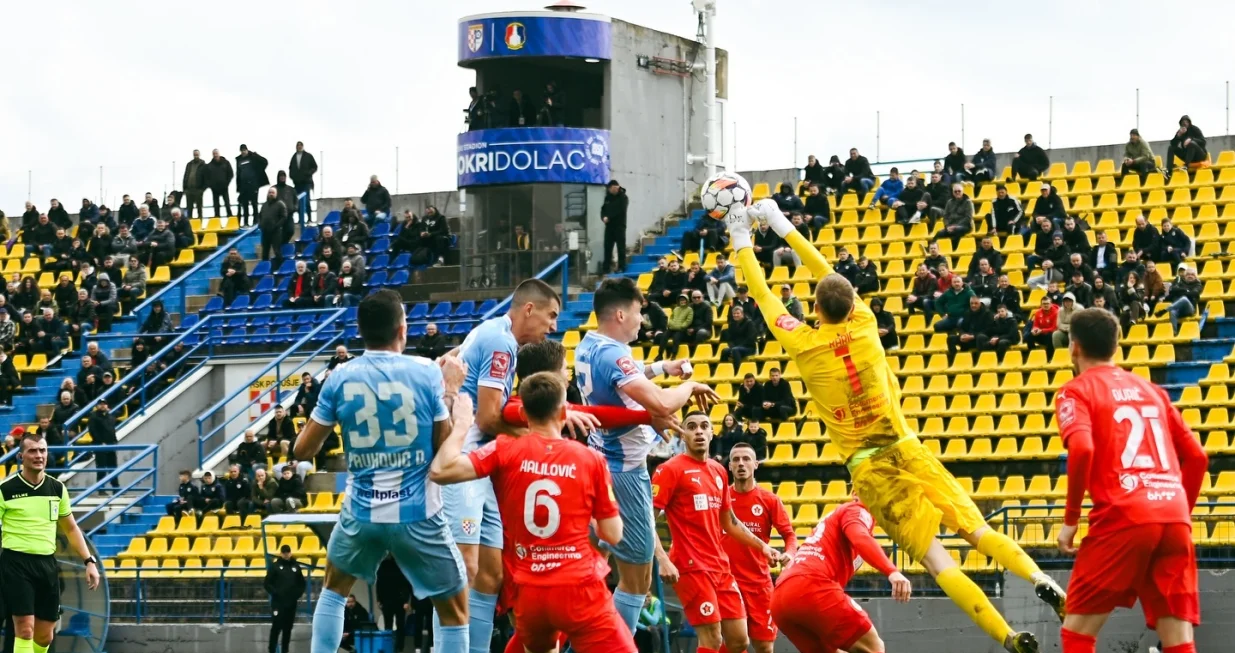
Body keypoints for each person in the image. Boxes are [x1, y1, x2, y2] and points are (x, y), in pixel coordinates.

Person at [729, 196, 1058, 653]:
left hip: (871, 468)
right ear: (850, 302)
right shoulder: (864, 322)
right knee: (980, 532)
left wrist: (740, 235)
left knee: (939, 562)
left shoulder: (803, 342)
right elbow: (827, 271)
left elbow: (763, 297)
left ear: (816, 310)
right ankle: (1038, 576)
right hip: (907, 445)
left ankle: (1006, 636)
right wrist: (780, 223)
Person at [292, 289, 475, 653]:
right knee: (455, 610)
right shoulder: (426, 373)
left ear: (361, 331)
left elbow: (303, 450)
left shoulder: (340, 377)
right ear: (402, 329)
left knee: (333, 591)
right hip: (418, 514)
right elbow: (442, 447)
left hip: (363, 512)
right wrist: (451, 390)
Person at [430, 371, 634, 653]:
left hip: (529, 590)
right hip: (579, 587)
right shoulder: (590, 459)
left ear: (523, 412)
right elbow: (612, 534)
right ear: (564, 411)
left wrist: (463, 424)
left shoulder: (503, 449)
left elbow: (440, 470)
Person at [1055, 308, 1207, 653]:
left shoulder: (1075, 391)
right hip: (1173, 514)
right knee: (1178, 639)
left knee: (1077, 632)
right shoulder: (1152, 390)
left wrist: (1070, 521)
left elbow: (1081, 449)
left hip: (1124, 515)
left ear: (1074, 347)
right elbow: (1197, 457)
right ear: (1116, 345)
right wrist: (1177, 512)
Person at [574, 277, 718, 637]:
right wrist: (688, 385)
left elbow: (623, 378)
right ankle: (608, 646)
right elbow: (663, 403)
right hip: (626, 471)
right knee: (637, 579)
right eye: (639, 313)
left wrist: (661, 369)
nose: (643, 321)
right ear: (621, 313)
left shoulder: (589, 344)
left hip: (600, 460)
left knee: (597, 558)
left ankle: (582, 634)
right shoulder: (614, 354)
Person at [652, 412, 782, 653]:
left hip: (720, 567)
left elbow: (730, 521)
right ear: (683, 433)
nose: (699, 431)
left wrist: (762, 546)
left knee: (739, 640)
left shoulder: (719, 471)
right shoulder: (670, 469)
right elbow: (646, 519)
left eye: (704, 426)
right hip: (691, 567)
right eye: (691, 427)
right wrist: (662, 559)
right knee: (711, 638)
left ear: (712, 433)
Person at [771, 493, 911, 653]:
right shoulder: (856, 510)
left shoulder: (841, 519)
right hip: (810, 586)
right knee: (873, 648)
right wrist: (892, 572)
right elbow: (860, 537)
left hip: (781, 598)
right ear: (856, 494)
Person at [1, 433, 102, 653]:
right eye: (32, 451)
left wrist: (89, 561)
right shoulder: (5, 489)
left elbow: (71, 528)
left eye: (42, 450)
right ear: (20, 456)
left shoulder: (57, 489)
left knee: (45, 636)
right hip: (16, 563)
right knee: (24, 629)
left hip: (47, 565)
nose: (38, 455)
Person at [723, 443, 797, 653]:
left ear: (755, 464)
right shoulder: (721, 499)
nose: (741, 464)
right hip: (727, 583)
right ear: (729, 466)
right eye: (736, 460)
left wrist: (789, 554)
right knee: (732, 645)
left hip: (758, 584)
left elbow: (789, 535)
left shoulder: (769, 500)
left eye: (746, 459)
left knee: (764, 646)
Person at [265, 544, 308, 653]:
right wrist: (276, 593)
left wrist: (296, 595)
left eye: (287, 552)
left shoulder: (295, 567)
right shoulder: (275, 567)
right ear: (281, 553)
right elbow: (267, 583)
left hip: (291, 603)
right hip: (278, 604)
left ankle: (285, 650)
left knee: (287, 629)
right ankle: (272, 650)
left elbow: (302, 583)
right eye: (284, 552)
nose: (286, 554)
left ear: (290, 553)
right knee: (276, 627)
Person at [375, 555, 412, 653]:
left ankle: (398, 648)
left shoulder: (400, 565)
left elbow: (407, 584)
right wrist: (379, 598)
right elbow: (379, 582)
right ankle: (390, 647)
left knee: (398, 625)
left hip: (397, 599)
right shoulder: (385, 565)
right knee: (389, 625)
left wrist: (406, 600)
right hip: (389, 599)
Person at [235, 145, 270, 226]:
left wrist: (256, 155)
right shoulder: (239, 160)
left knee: (254, 204)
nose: (243, 152)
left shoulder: (253, 157)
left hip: (253, 185)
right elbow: (238, 174)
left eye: (244, 150)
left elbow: (265, 162)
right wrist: (238, 187)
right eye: (242, 150)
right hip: (243, 186)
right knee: (245, 205)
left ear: (247, 150)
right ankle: (246, 222)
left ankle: (255, 222)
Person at [1165, 115, 1207, 179]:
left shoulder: (1195, 129)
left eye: (1186, 122)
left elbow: (1203, 141)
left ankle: (1186, 166)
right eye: (1183, 122)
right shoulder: (1180, 131)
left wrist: (1191, 139)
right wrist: (1178, 135)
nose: (1185, 124)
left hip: (1199, 155)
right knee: (1171, 148)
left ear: (1189, 123)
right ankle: (1169, 170)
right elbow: (1173, 144)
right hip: (1188, 155)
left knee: (1191, 144)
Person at [1165, 266, 1203, 334]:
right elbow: (1172, 290)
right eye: (1188, 274)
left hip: (1190, 309)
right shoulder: (1180, 283)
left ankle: (1166, 309)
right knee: (1173, 312)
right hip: (1179, 309)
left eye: (1192, 274)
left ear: (1195, 276)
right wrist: (1186, 290)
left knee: (1184, 299)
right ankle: (1174, 333)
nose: (1190, 276)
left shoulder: (1198, 285)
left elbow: (1194, 293)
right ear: (1185, 276)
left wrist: (1180, 292)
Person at [602, 179, 629, 274]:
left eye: (615, 188)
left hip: (619, 226)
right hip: (609, 227)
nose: (613, 190)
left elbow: (620, 210)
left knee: (620, 247)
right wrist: (603, 217)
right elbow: (603, 209)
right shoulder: (608, 198)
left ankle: (621, 266)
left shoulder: (623, 197)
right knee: (607, 247)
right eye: (611, 189)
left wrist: (609, 217)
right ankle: (606, 268)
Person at [206, 149, 234, 218]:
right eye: (214, 154)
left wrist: (226, 183)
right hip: (214, 188)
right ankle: (217, 217)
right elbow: (206, 177)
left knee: (227, 203)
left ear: (219, 154)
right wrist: (210, 185)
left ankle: (230, 216)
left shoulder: (226, 163)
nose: (215, 155)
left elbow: (231, 174)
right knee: (216, 204)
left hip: (224, 187)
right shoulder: (209, 165)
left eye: (216, 153)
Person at [183, 149, 208, 218]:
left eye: (197, 154)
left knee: (199, 209)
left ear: (199, 155)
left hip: (198, 190)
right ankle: (189, 225)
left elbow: (206, 178)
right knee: (189, 209)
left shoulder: (203, 164)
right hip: (189, 190)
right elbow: (185, 175)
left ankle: (200, 223)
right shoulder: (189, 164)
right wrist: (185, 189)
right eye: (194, 154)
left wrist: (202, 189)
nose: (196, 156)